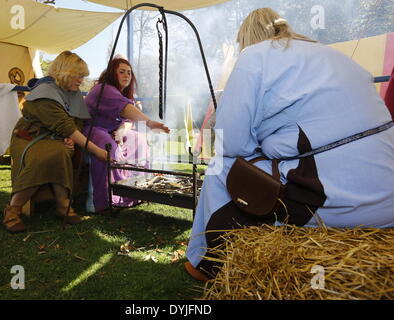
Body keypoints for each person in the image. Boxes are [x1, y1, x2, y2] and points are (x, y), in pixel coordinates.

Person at [185, 8, 394, 281]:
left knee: (220, 167)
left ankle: (204, 263)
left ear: (246, 38)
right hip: (387, 199)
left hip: (341, 206)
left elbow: (232, 143)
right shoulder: (333, 55)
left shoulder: (254, 56)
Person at [3, 51, 107, 233]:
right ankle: (14, 208)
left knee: (58, 151)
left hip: (58, 139)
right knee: (45, 157)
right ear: (66, 72)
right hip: (30, 138)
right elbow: (64, 125)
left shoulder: (71, 92)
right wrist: (98, 151)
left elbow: (77, 122)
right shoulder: (45, 93)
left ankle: (62, 204)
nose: (81, 80)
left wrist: (70, 138)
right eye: (79, 75)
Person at [83, 58, 170, 213]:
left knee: (138, 139)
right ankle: (108, 200)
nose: (126, 75)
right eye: (121, 72)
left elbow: (129, 119)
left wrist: (122, 130)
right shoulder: (104, 89)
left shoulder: (125, 95)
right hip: (93, 130)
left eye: (129, 72)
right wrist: (149, 123)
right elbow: (125, 109)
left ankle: (138, 191)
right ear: (111, 73)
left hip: (112, 131)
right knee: (108, 145)